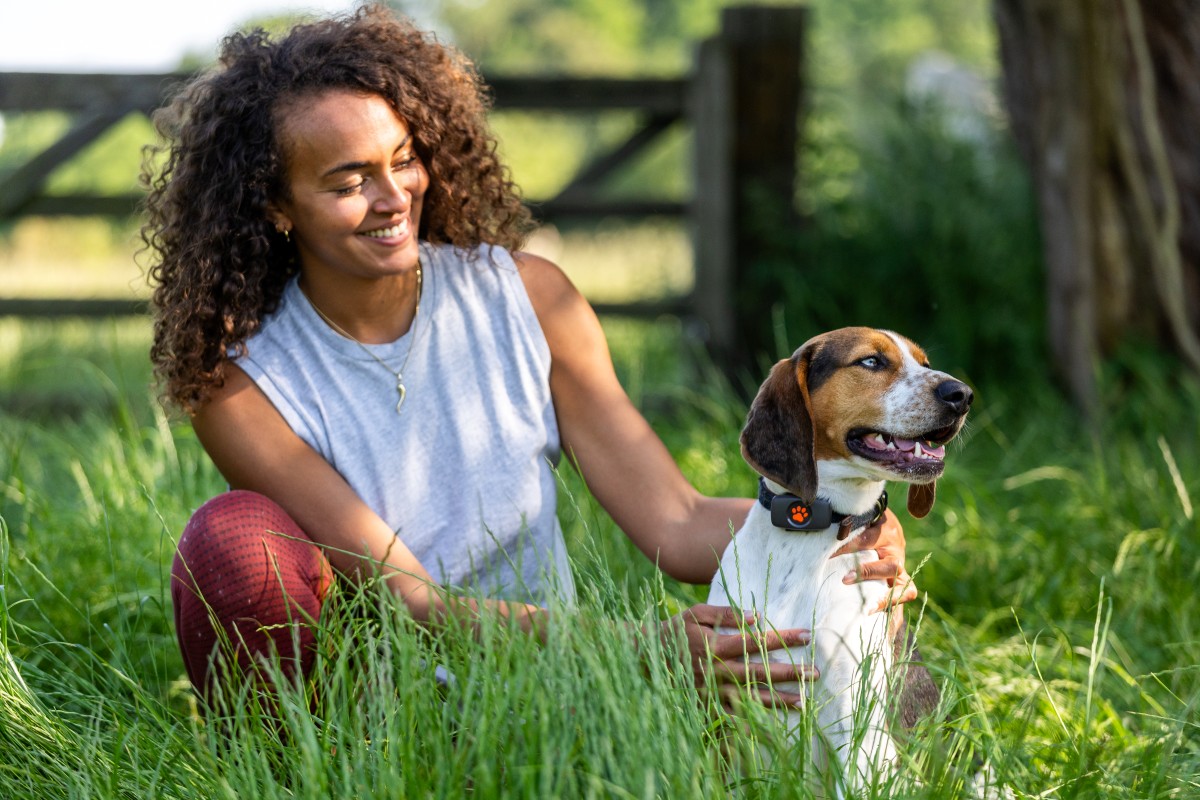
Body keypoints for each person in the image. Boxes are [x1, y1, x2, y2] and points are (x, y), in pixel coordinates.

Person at [142, 5, 915, 711]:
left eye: (403, 159)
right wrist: (641, 651)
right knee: (232, 541)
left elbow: (676, 524)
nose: (393, 196)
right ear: (275, 206)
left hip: (548, 690)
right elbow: (413, 598)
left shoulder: (530, 299)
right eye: (349, 180)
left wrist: (833, 525)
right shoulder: (240, 378)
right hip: (377, 707)